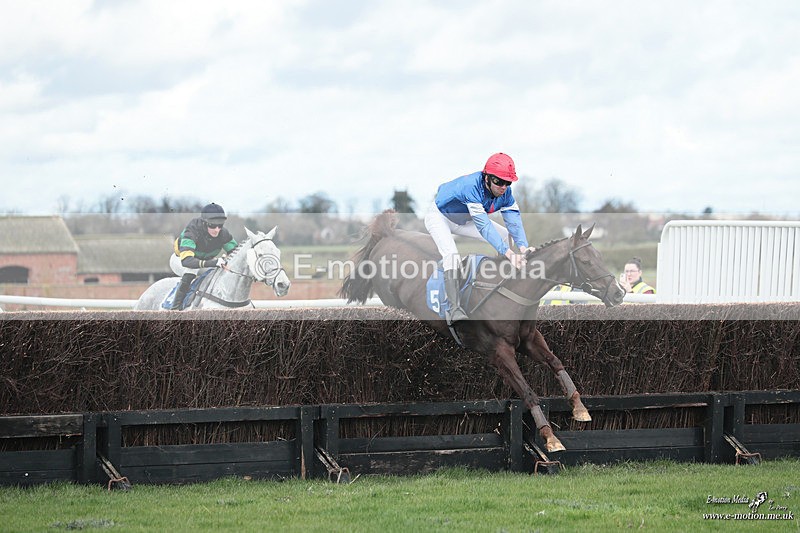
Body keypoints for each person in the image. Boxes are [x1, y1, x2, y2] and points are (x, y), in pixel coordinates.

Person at [424, 153, 530, 324]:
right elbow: (484, 227)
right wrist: (510, 254)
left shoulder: (506, 194)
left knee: (505, 236)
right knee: (452, 256)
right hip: (440, 218)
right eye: (498, 181)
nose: (503, 187)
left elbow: (514, 222)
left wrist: (524, 248)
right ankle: (454, 309)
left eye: (507, 182)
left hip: (464, 220)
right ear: (486, 177)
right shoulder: (471, 187)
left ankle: (503, 284)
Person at [169, 203, 238, 310]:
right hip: (180, 260)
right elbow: (187, 261)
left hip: (202, 262)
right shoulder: (192, 230)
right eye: (212, 225)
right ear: (204, 223)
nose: (217, 230)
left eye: (220, 225)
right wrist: (213, 262)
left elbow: (236, 254)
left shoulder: (223, 234)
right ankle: (174, 310)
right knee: (191, 271)